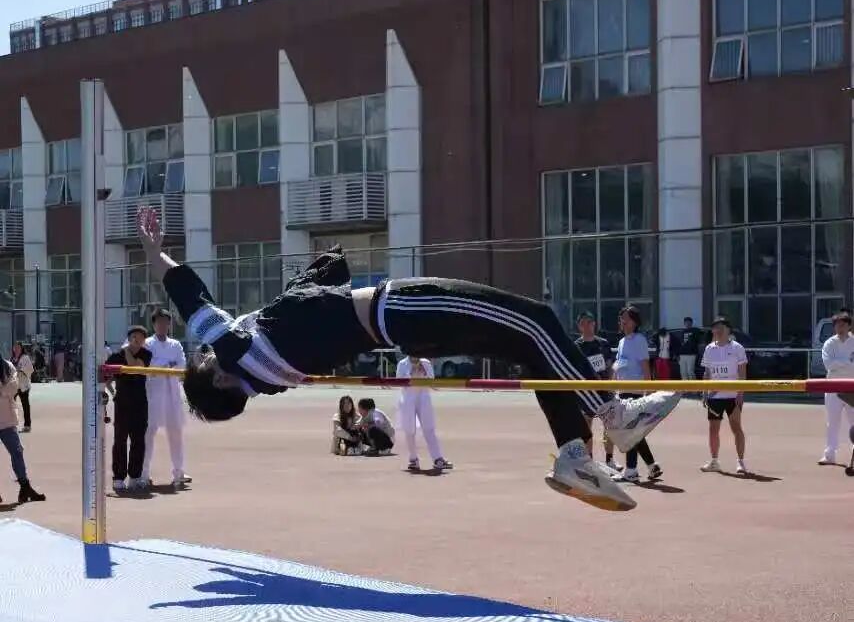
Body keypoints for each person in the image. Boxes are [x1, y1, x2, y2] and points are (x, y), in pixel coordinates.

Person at [136, 207, 679, 513]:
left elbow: (204, 302)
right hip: (404, 308)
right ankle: (614, 417)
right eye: (208, 357)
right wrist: (152, 250)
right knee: (535, 320)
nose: (209, 348)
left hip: (404, 327)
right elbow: (193, 298)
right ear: (221, 378)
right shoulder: (239, 352)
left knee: (529, 345)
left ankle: (574, 455)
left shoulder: (263, 372)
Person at [613, 307, 663, 485]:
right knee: (634, 432)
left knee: (630, 431)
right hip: (622, 390)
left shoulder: (639, 340)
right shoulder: (621, 341)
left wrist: (648, 391)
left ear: (635, 321)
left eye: (626, 318)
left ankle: (631, 470)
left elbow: (645, 366)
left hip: (634, 391)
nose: (623, 322)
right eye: (621, 318)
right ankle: (651, 465)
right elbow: (619, 365)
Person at [142, 307, 190, 491]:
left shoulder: (175, 345)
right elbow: (148, 365)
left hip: (172, 392)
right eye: (159, 322)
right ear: (153, 324)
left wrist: (168, 367)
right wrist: (164, 366)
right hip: (153, 392)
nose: (162, 325)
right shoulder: (147, 344)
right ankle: (143, 472)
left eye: (165, 322)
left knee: (175, 431)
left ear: (169, 324)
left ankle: (179, 471)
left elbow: (181, 364)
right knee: (149, 431)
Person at [700, 316, 748, 475]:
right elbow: (707, 372)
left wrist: (740, 393)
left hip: (732, 396)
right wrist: (704, 392)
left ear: (728, 330)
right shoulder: (709, 349)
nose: (718, 331)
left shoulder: (737, 348)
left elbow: (742, 372)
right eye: (715, 328)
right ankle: (714, 461)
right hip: (715, 396)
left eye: (721, 328)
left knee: (736, 427)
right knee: (713, 430)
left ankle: (741, 461)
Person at [109, 326, 153, 494]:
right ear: (128, 338)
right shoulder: (116, 356)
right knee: (120, 440)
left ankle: (135, 476)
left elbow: (135, 366)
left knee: (138, 441)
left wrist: (127, 350)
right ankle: (118, 478)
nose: (137, 339)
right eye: (134, 336)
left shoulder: (146, 354)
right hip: (122, 403)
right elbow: (105, 376)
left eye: (140, 337)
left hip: (140, 403)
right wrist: (112, 391)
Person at [0, 354, 44, 504]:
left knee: (17, 452)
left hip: (6, 419)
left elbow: (14, 387)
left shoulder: (7, 366)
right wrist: (4, 390)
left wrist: (2, 391)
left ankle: (25, 487)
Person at [396, 354, 451, 473]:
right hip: (408, 398)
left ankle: (437, 458)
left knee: (429, 428)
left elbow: (432, 382)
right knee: (409, 430)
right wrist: (411, 373)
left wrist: (424, 372)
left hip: (423, 397)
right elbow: (399, 382)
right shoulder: (402, 364)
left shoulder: (426, 362)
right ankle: (413, 459)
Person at [574, 312, 615, 470]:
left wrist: (610, 383)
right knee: (586, 427)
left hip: (604, 391)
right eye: (584, 322)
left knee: (609, 426)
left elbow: (610, 366)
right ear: (579, 326)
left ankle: (610, 460)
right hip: (586, 393)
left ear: (594, 324)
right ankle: (589, 460)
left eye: (590, 322)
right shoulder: (576, 346)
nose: (587, 325)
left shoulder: (603, 344)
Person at [818, 311, 854, 466]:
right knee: (832, 422)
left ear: (849, 326)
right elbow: (829, 365)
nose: (840, 328)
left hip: (852, 387)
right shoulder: (829, 344)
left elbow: (839, 365)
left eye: (843, 325)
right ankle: (829, 454)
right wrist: (848, 362)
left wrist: (840, 363)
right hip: (833, 387)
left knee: (853, 422)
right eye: (837, 325)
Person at [11, 342, 33, 432]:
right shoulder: (12, 358)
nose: (16, 349)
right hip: (14, 385)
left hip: (23, 385)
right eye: (15, 348)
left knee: (25, 406)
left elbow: (30, 369)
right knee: (11, 405)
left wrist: (21, 370)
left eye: (18, 348)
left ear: (21, 349)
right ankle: (11, 424)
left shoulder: (25, 358)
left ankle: (27, 425)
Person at [679, 318, 700, 382]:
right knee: (683, 372)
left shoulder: (695, 331)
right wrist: (678, 354)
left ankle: (693, 386)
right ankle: (685, 386)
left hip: (691, 354)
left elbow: (698, 340)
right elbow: (680, 343)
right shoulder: (682, 332)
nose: (687, 324)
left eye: (689, 322)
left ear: (691, 323)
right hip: (682, 354)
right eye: (686, 322)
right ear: (684, 323)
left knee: (690, 371)